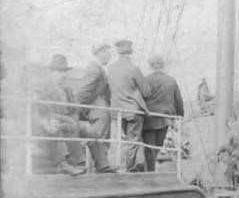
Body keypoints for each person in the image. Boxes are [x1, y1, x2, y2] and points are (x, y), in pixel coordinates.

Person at [33, 55, 85, 175]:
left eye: (64, 71)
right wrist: (67, 119)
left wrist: (73, 118)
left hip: (66, 120)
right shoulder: (43, 88)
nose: (62, 74)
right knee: (57, 126)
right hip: (51, 119)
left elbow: (74, 109)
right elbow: (41, 109)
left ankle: (83, 163)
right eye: (59, 71)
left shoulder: (68, 89)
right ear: (52, 72)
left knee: (86, 129)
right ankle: (64, 164)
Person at [107, 39, 151, 172]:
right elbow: (147, 91)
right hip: (132, 111)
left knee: (123, 140)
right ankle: (129, 168)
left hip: (116, 111)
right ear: (130, 53)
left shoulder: (110, 69)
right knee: (133, 139)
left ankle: (131, 164)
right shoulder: (134, 68)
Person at [74, 43, 114, 172]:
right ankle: (101, 170)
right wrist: (76, 111)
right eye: (108, 53)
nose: (109, 56)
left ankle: (101, 168)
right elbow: (83, 92)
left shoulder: (98, 69)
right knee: (99, 141)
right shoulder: (94, 69)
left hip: (99, 110)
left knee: (100, 142)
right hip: (98, 111)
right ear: (100, 53)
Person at [142, 56, 184, 172]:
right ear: (162, 65)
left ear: (151, 66)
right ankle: (151, 171)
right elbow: (179, 102)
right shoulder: (171, 80)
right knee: (157, 146)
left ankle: (149, 172)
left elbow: (140, 98)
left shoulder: (145, 80)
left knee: (149, 148)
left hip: (149, 120)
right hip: (165, 120)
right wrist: (180, 116)